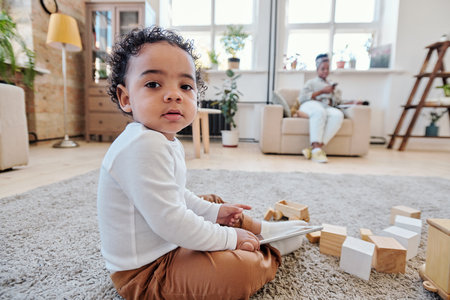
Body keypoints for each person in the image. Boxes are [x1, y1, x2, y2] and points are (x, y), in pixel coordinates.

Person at [97, 26, 307, 300]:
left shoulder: (160, 139)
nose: (174, 95)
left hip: (169, 244)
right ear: (126, 98)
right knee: (238, 273)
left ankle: (257, 230)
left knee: (213, 203)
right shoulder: (141, 145)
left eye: (185, 86)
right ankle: (266, 247)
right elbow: (171, 221)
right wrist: (231, 240)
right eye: (153, 84)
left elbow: (176, 195)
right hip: (146, 273)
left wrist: (214, 213)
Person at [298, 53, 344, 163]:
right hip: (309, 105)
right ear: (317, 69)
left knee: (338, 115)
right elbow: (302, 98)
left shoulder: (332, 85)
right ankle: (317, 151)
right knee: (319, 112)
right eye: (322, 69)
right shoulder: (311, 82)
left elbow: (338, 102)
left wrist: (332, 97)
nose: (325, 71)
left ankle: (315, 149)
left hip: (326, 107)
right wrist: (322, 91)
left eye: (327, 69)